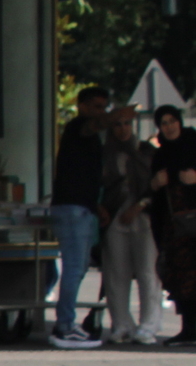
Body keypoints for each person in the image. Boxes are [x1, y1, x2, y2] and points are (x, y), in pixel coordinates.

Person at [46, 86, 110, 348]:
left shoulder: (87, 136)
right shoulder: (77, 127)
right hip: (73, 209)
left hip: (80, 207)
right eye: (95, 106)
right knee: (73, 268)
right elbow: (91, 126)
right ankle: (65, 326)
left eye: (103, 107)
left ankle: (67, 323)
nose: (100, 113)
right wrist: (116, 115)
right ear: (81, 106)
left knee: (79, 266)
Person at [100, 106, 164, 345]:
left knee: (148, 271)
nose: (123, 129)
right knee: (116, 272)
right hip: (114, 215)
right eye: (118, 124)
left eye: (127, 124)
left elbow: (156, 186)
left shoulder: (146, 152)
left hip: (143, 215)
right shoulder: (104, 153)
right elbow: (100, 185)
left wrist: (140, 206)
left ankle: (149, 324)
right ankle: (121, 324)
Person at [150, 106, 196, 347]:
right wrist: (156, 184)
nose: (169, 126)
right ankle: (189, 328)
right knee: (180, 275)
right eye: (164, 123)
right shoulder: (162, 154)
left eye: (172, 121)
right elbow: (151, 190)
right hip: (174, 225)